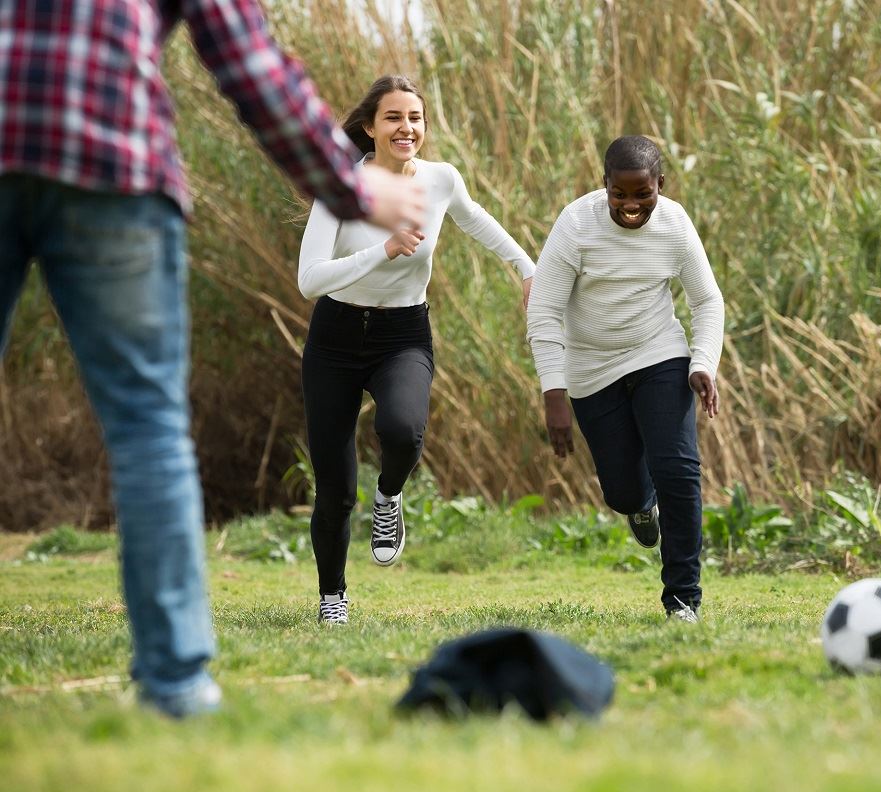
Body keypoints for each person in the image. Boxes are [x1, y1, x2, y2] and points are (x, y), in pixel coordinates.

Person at [0, 0, 425, 717]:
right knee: (146, 429)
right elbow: (249, 63)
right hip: (112, 160)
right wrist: (353, 188)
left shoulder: (440, 180)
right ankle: (174, 684)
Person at [296, 75, 536, 626]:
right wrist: (381, 251)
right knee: (333, 488)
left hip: (402, 334)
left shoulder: (440, 180)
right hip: (333, 338)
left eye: (416, 118)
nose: (407, 128)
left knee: (404, 430)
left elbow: (478, 221)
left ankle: (389, 498)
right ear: (369, 128)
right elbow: (309, 280)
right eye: (393, 118)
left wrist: (527, 267)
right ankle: (332, 596)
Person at [526, 135, 725, 623]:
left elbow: (706, 300)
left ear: (661, 184)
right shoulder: (576, 225)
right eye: (620, 194)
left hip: (659, 353)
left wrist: (702, 362)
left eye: (643, 194)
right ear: (605, 186)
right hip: (592, 368)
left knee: (678, 471)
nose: (631, 205)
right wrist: (554, 391)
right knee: (622, 491)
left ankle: (683, 598)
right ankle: (640, 505)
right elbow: (545, 309)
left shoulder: (676, 225)